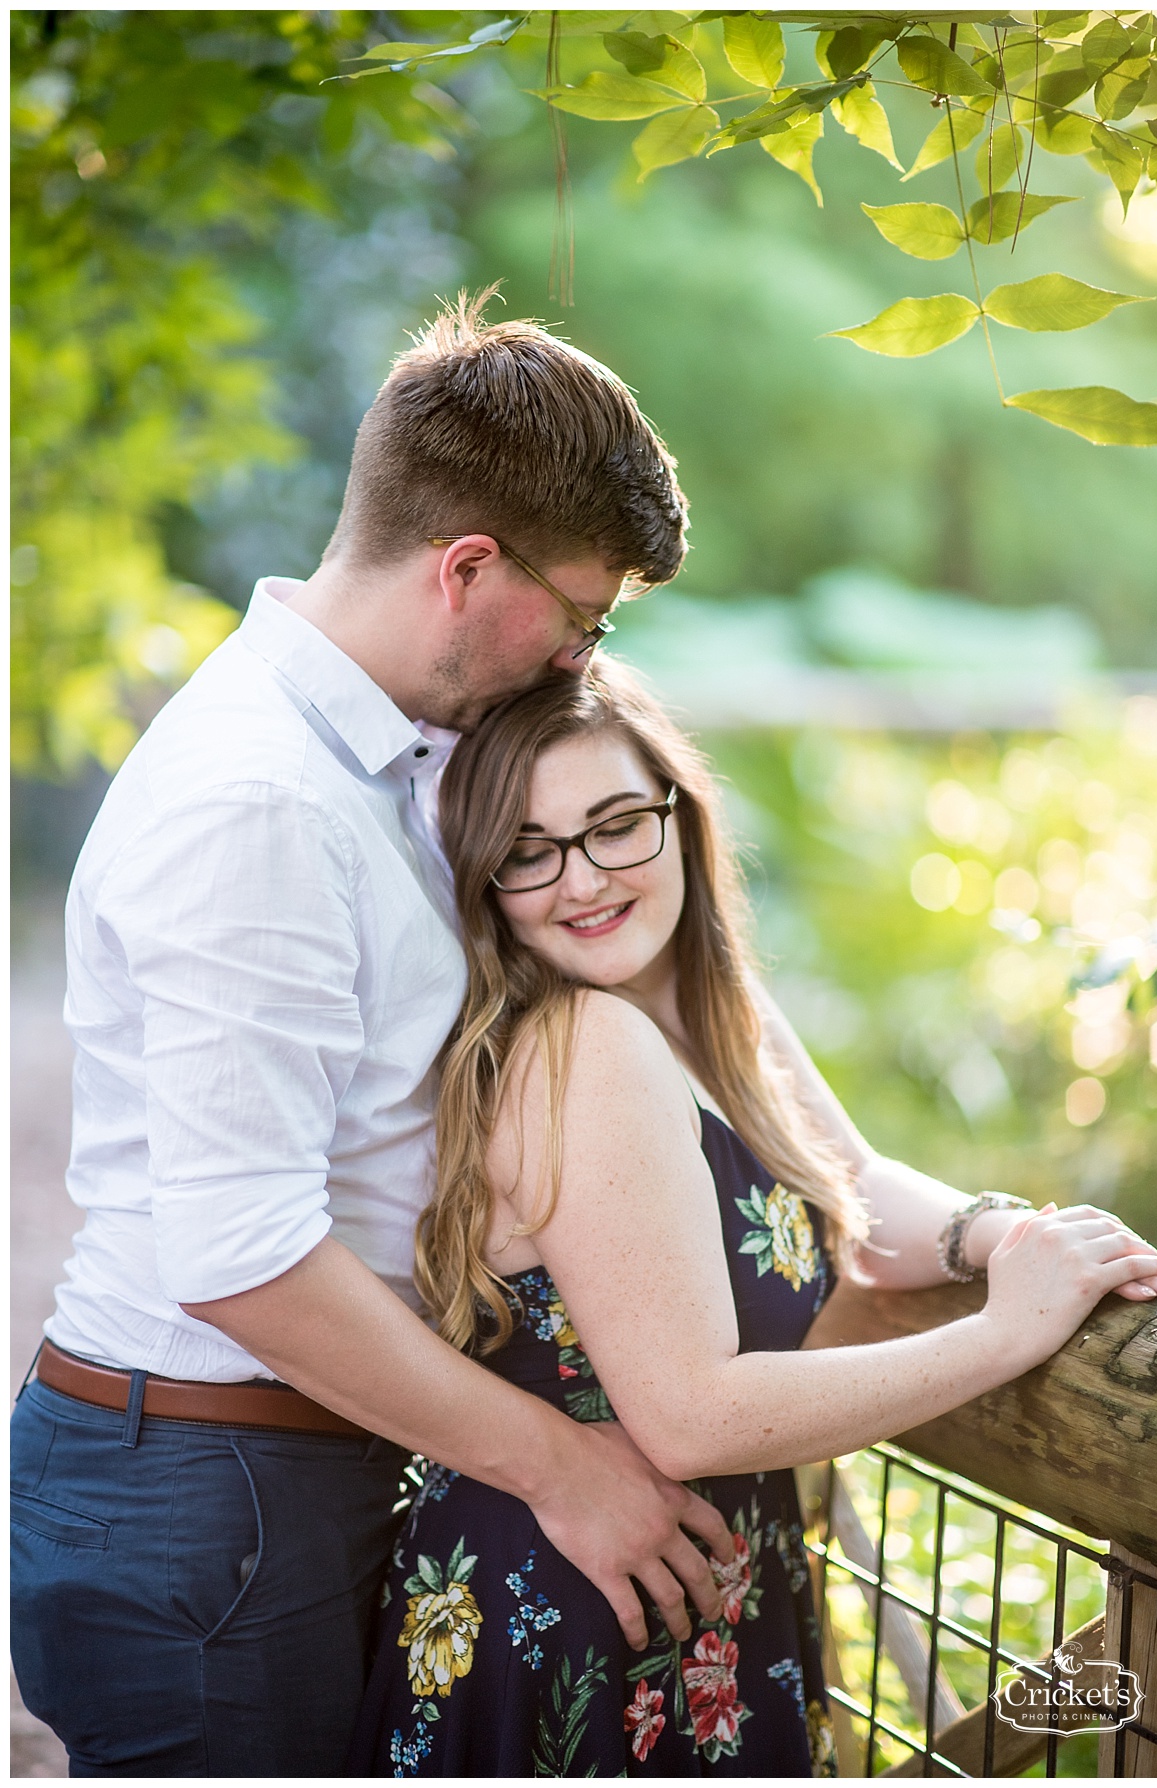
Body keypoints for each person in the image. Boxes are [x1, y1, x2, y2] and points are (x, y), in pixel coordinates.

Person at [10, 297, 741, 1779]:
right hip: (218, 1500)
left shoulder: (383, 762)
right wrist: (559, 1468)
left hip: (269, 1473)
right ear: (469, 567)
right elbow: (242, 1250)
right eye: (584, 617)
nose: (582, 659)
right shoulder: (263, 803)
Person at [349, 660, 1157, 1777]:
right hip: (588, 1623)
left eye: (615, 827)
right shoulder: (584, 1046)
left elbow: (851, 1187)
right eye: (528, 851)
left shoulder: (689, 997)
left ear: (679, 820)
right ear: (485, 881)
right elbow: (692, 1417)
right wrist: (1004, 1334)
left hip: (691, 1590)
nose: (583, 880)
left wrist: (997, 1236)